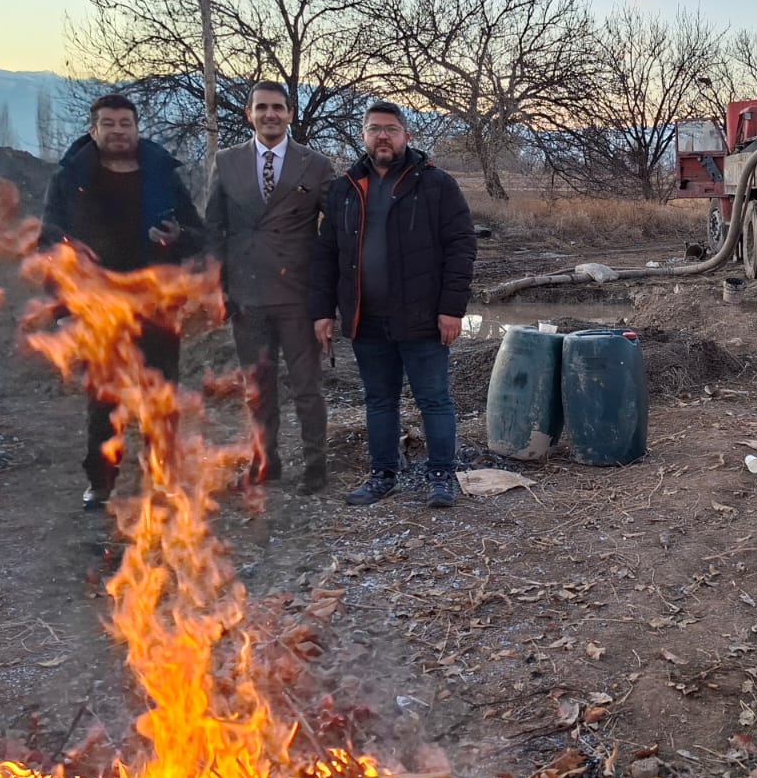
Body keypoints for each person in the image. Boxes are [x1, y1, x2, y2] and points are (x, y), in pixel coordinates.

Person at [39, 94, 204, 509]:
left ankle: (163, 477)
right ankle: (100, 482)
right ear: (93, 129)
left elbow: (199, 234)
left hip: (156, 306)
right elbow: (49, 248)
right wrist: (61, 309)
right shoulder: (71, 179)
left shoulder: (161, 175)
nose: (117, 131)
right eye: (108, 124)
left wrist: (177, 237)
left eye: (124, 124)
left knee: (161, 398)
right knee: (104, 399)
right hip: (99, 308)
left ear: (136, 128)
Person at [309, 101, 477, 509]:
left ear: (407, 135)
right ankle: (382, 474)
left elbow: (461, 247)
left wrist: (452, 309)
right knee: (379, 400)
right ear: (363, 136)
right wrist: (322, 311)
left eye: (391, 128)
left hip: (422, 317)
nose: (382, 136)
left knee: (434, 400)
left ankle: (441, 475)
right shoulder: (345, 189)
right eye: (374, 129)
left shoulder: (436, 185)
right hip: (367, 319)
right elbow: (326, 254)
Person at [205, 82, 335, 494]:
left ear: (291, 114)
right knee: (258, 390)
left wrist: (327, 300)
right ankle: (266, 461)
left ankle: (316, 465)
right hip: (247, 297)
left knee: (306, 387)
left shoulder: (315, 165)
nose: (270, 114)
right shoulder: (225, 163)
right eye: (262, 107)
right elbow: (214, 231)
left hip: (298, 296)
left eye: (278, 107)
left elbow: (333, 236)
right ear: (248, 114)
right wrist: (218, 290)